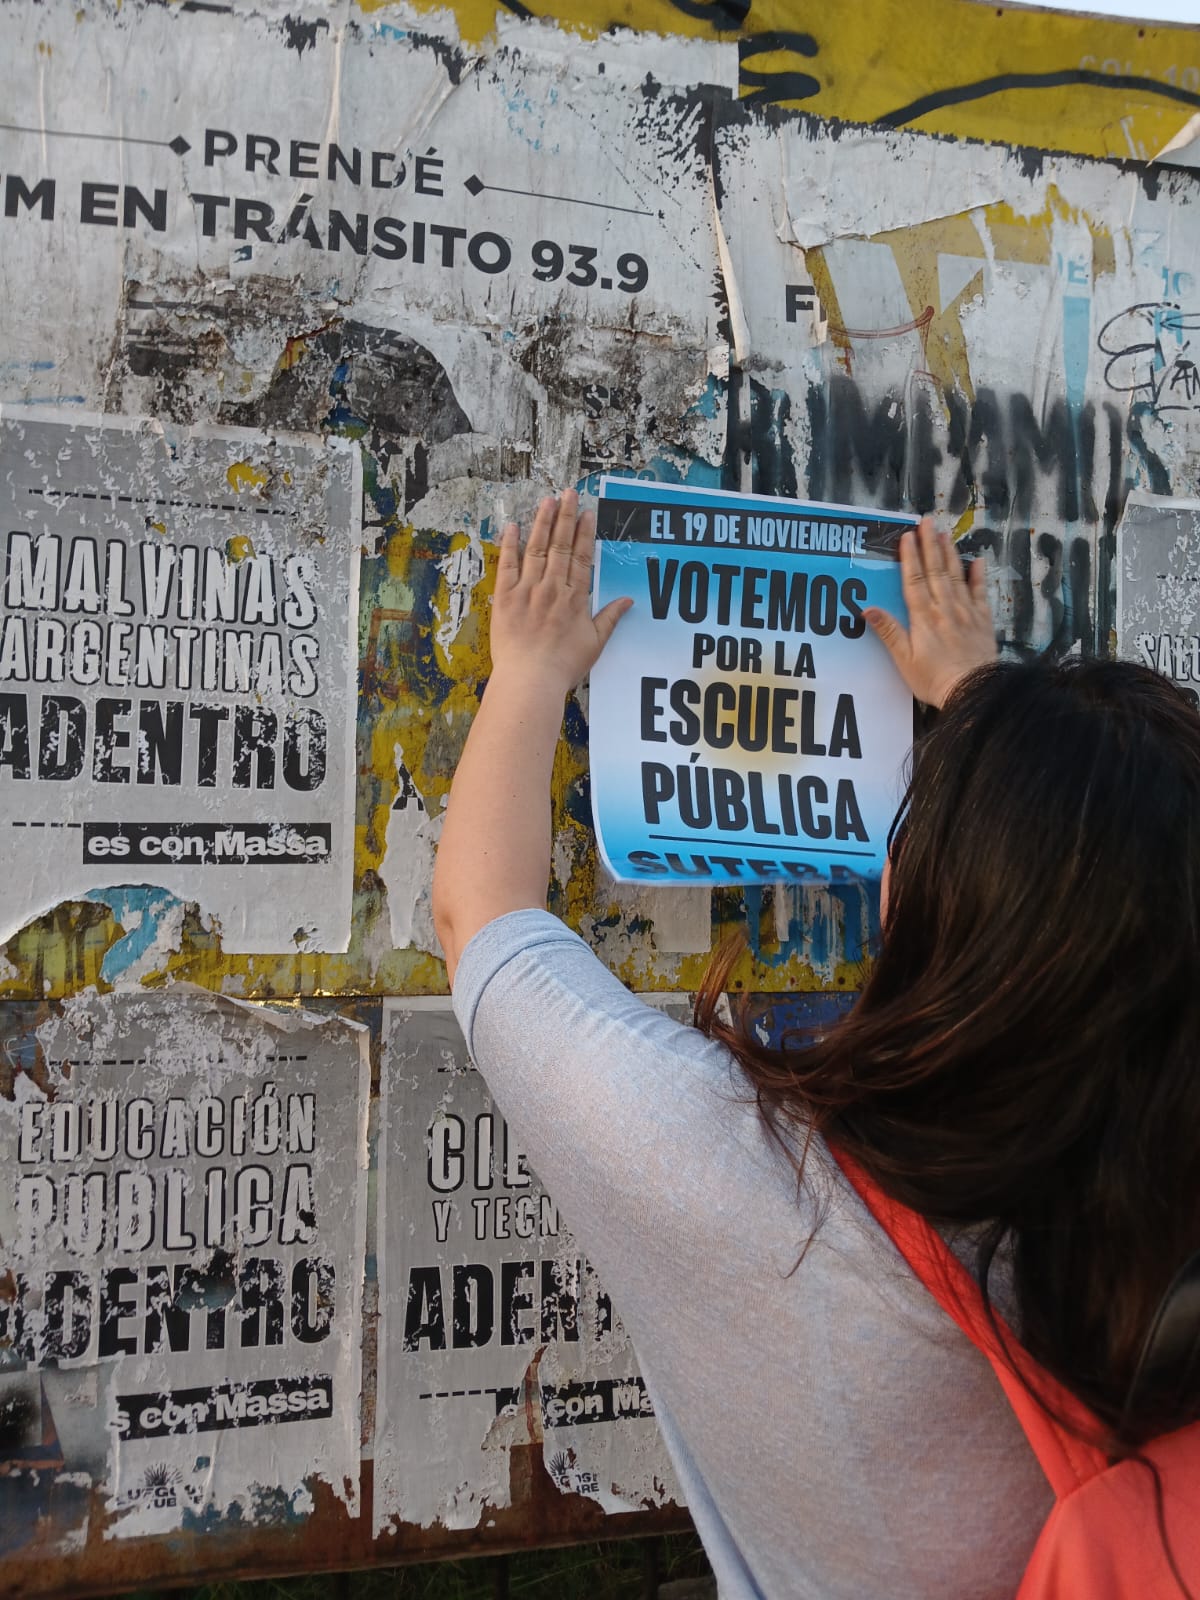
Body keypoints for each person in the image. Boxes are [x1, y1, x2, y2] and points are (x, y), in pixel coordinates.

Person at [432, 491, 1200, 1599]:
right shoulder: (1156, 1239)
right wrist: (987, 727)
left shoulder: (740, 1181)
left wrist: (531, 668)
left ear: (922, 898)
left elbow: (481, 916)